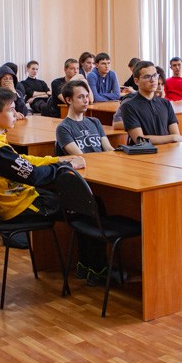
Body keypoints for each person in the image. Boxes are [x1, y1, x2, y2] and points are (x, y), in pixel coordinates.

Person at [0, 87, 85, 227]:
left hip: (15, 200)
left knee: (68, 194)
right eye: (11, 110)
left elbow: (22, 160)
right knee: (86, 204)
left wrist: (56, 160)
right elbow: (34, 175)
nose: (15, 114)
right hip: (18, 207)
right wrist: (68, 166)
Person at [54, 79, 117, 285]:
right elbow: (81, 157)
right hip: (82, 184)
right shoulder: (64, 128)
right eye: (80, 97)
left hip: (101, 175)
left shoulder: (95, 122)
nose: (86, 100)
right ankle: (95, 267)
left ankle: (92, 265)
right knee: (97, 210)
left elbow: (108, 149)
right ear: (68, 100)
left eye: (86, 96)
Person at [119, 61, 182, 145]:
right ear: (136, 81)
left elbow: (176, 136)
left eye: (155, 75)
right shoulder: (128, 106)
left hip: (167, 151)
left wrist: (174, 137)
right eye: (147, 77)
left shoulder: (165, 103)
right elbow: (140, 140)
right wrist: (172, 138)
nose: (153, 80)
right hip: (144, 152)